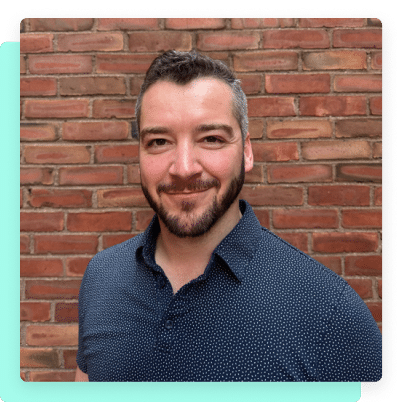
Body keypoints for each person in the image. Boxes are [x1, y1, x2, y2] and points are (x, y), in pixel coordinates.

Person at [75, 50, 382, 382]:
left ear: (246, 151)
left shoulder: (331, 312)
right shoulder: (101, 278)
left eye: (211, 139)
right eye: (159, 141)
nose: (184, 168)